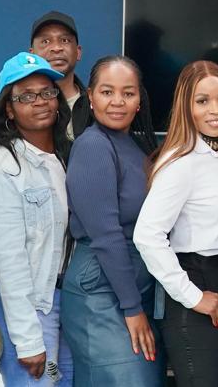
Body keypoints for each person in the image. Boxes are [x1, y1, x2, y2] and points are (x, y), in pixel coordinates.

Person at [134, 61, 218, 386]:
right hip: (199, 287)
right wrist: (193, 296)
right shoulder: (181, 162)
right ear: (186, 107)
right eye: (202, 101)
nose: (216, 110)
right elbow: (147, 235)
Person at [0, 52, 73, 386]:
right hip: (33, 307)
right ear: (9, 110)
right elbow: (10, 259)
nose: (40, 101)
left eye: (46, 92)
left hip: (65, 302)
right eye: (25, 96)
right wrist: (28, 340)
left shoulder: (62, 156)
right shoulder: (6, 169)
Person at [62, 56, 162, 386]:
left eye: (128, 93)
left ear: (139, 100)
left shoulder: (134, 145)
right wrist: (132, 308)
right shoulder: (93, 146)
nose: (117, 102)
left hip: (129, 286)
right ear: (90, 97)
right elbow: (106, 236)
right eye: (107, 92)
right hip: (102, 291)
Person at [30, 11, 88, 139]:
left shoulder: (96, 107)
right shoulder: (15, 108)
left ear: (78, 52)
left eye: (65, 40)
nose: (56, 48)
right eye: (45, 41)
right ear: (32, 55)